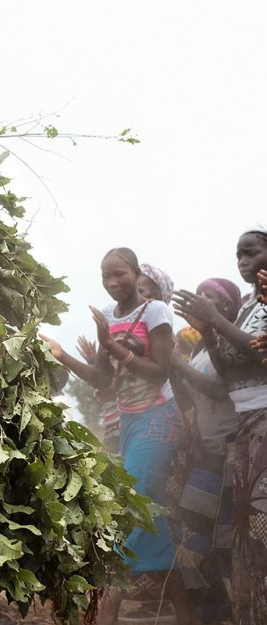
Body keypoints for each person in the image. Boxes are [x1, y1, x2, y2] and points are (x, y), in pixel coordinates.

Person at [47, 248, 197, 625]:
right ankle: (188, 614)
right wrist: (62, 354)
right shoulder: (109, 318)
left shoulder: (156, 312)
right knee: (149, 516)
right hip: (130, 425)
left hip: (159, 420)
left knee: (132, 510)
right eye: (105, 276)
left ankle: (106, 614)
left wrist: (110, 344)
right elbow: (101, 381)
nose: (112, 283)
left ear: (135, 272)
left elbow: (160, 371)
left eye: (120, 274)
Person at [174, 229, 267, 625]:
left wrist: (213, 320)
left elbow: (256, 350)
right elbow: (229, 370)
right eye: (238, 254)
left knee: (261, 523)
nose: (243, 260)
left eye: (252, 252)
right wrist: (210, 330)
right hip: (247, 427)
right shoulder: (248, 306)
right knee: (248, 532)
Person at [169, 278, 242, 623]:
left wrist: (174, 361)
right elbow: (189, 399)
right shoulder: (199, 349)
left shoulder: (229, 343)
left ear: (227, 308)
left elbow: (217, 389)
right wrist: (172, 367)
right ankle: (213, 615)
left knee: (225, 542)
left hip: (229, 453)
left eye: (209, 295)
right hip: (206, 455)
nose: (200, 299)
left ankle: (234, 612)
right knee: (192, 541)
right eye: (198, 293)